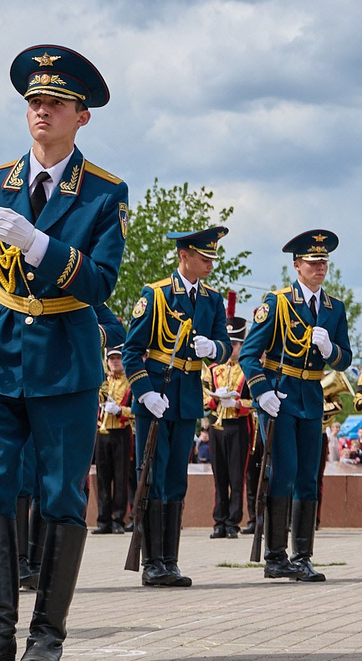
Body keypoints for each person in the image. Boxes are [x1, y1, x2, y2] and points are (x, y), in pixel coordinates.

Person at [0, 46, 129, 661]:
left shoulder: (104, 192)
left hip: (63, 359)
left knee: (59, 494)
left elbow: (100, 282)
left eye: (54, 103)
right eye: (33, 102)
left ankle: (46, 632)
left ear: (82, 117)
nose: (41, 111)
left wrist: (43, 246)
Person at [239, 230, 354, 585]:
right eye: (313, 262)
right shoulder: (277, 303)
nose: (320, 268)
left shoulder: (334, 309)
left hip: (313, 398)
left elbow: (345, 359)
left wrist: (329, 351)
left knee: (308, 476)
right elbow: (248, 354)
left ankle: (302, 556)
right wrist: (262, 393)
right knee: (284, 472)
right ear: (297, 265)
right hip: (280, 394)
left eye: (324, 262)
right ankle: (275, 557)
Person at [124, 224, 229, 589]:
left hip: (186, 400)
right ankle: (152, 562)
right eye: (203, 258)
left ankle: (170, 560)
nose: (209, 266)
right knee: (152, 479)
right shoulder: (155, 296)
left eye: (213, 259)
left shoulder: (212, 299)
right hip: (156, 397)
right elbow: (131, 353)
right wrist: (144, 393)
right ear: (183, 256)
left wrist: (214, 349)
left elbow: (225, 344)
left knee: (175, 481)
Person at [206, 337, 251, 538]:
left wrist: (238, 404)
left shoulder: (248, 369)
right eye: (229, 343)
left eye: (235, 344)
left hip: (238, 425)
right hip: (217, 425)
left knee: (236, 476)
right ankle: (219, 521)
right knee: (220, 476)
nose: (232, 348)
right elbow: (204, 396)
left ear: (241, 346)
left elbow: (256, 400)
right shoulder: (213, 369)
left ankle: (233, 522)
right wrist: (216, 400)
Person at [95, 352, 133, 532]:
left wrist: (120, 410)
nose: (115, 362)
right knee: (102, 479)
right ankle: (103, 520)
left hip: (121, 432)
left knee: (120, 478)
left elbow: (135, 411)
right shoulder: (104, 381)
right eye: (112, 359)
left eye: (118, 358)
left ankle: (118, 520)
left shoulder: (130, 382)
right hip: (102, 432)